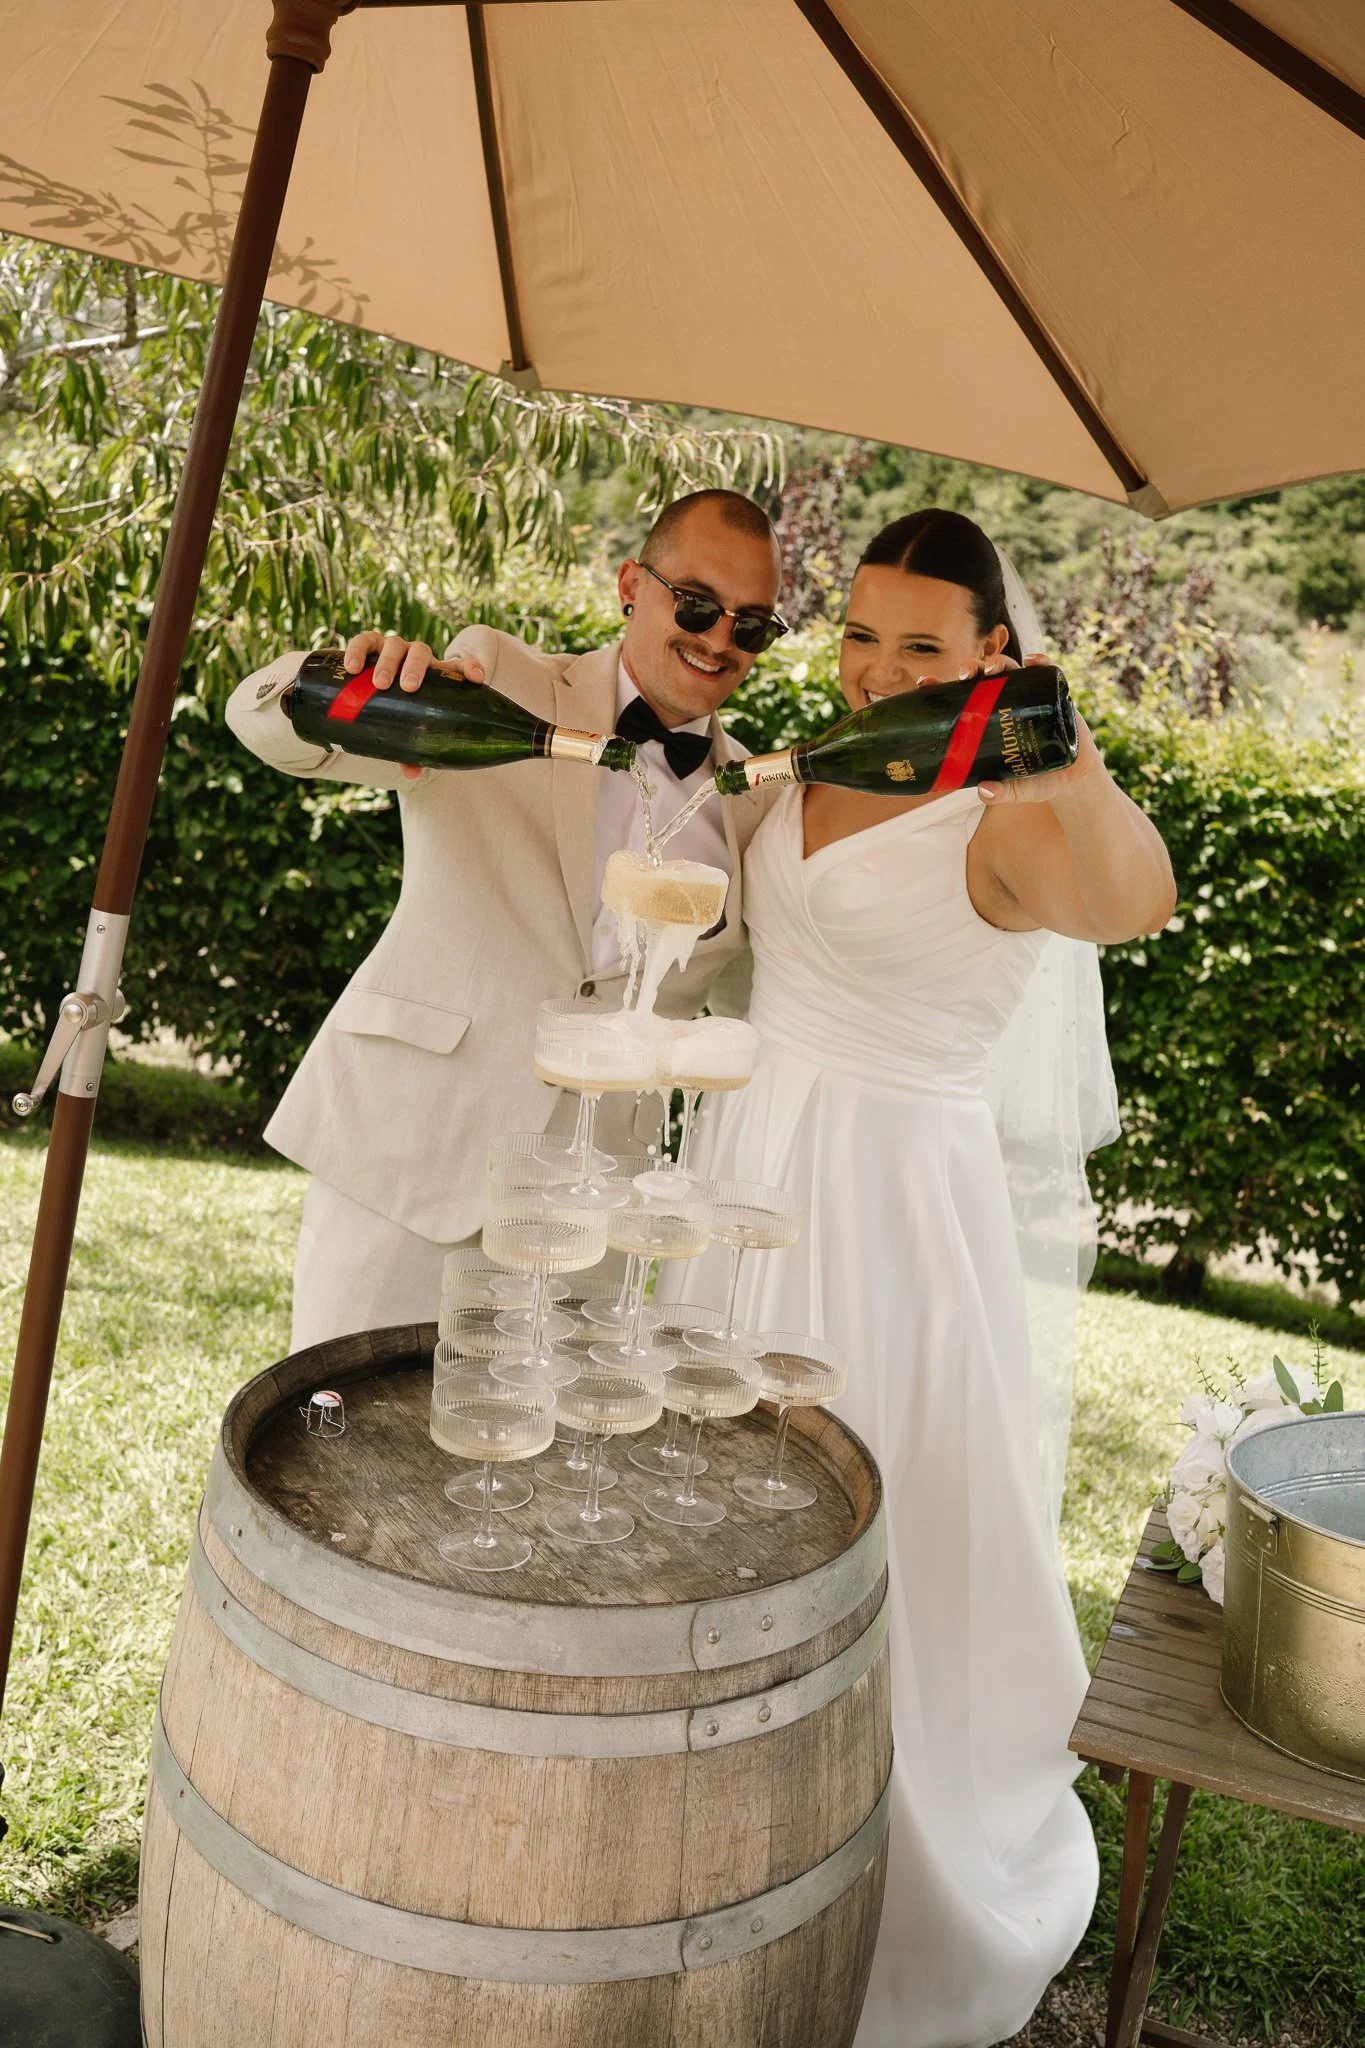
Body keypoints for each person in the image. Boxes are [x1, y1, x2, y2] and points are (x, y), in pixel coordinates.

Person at [661, 509, 1176, 2048]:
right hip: (746, 1159)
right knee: (707, 1503)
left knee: (868, 1522)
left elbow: (1135, 902)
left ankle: (894, 1883)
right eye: (862, 635)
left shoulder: (1007, 818)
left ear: (993, 659)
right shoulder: (821, 759)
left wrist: (1069, 763)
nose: (880, 666)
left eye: (923, 647)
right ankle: (694, 1819)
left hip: (890, 1208)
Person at [225, 489, 785, 1349]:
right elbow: (270, 731)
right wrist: (335, 678)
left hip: (598, 1212)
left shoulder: (756, 798)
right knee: (326, 1439)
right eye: (698, 605)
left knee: (529, 1474)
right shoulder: (495, 677)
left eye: (749, 626)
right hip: (418, 1152)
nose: (718, 639)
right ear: (632, 583)